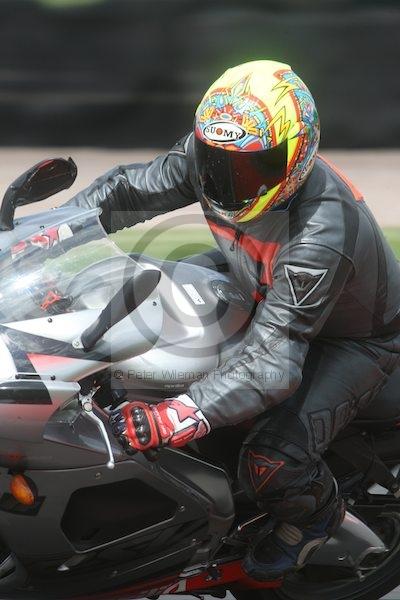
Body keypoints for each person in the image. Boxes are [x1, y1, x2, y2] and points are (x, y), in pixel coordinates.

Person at [66, 60, 400, 580]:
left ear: (298, 153)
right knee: (129, 298)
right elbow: (128, 190)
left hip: (348, 339)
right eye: (216, 162)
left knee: (271, 461)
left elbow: (273, 364)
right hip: (256, 279)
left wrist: (172, 417)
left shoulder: (321, 233)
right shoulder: (211, 154)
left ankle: (317, 519)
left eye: (253, 168)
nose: (227, 181)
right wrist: (56, 232)